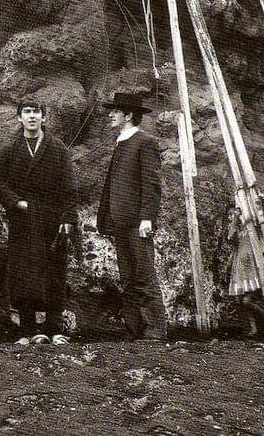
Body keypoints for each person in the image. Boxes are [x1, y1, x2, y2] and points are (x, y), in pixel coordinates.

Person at [0, 97, 78, 346]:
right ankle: (28, 330)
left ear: (44, 117)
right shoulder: (11, 148)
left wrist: (68, 219)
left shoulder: (57, 147)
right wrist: (17, 202)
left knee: (55, 273)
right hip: (24, 220)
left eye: (36, 112)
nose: (32, 116)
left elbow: (70, 188)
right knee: (24, 274)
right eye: (26, 112)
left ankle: (55, 329)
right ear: (19, 117)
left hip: (52, 219)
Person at [97, 92, 167, 342]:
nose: (110, 115)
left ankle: (155, 331)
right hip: (120, 221)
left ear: (128, 115)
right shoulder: (121, 141)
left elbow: (151, 184)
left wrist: (147, 218)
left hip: (138, 223)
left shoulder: (144, 141)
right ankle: (133, 329)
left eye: (115, 111)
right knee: (127, 278)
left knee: (144, 276)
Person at [226, 205, 262, 336]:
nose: (231, 218)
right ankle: (254, 328)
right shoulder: (236, 230)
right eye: (229, 216)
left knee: (247, 301)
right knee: (238, 301)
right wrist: (235, 219)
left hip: (250, 267)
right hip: (239, 268)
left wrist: (239, 216)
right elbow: (230, 237)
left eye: (232, 214)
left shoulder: (250, 228)